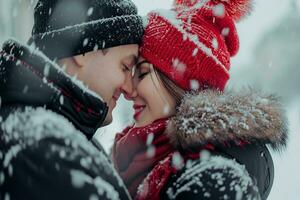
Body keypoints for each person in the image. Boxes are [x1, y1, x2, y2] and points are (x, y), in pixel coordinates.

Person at [112, 0, 288, 199]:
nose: (128, 89)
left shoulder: (213, 181)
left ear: (182, 84)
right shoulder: (145, 158)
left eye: (142, 73)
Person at [0, 0, 143, 199]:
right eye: (126, 67)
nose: (130, 88)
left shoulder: (49, 133)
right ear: (82, 50)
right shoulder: (45, 148)